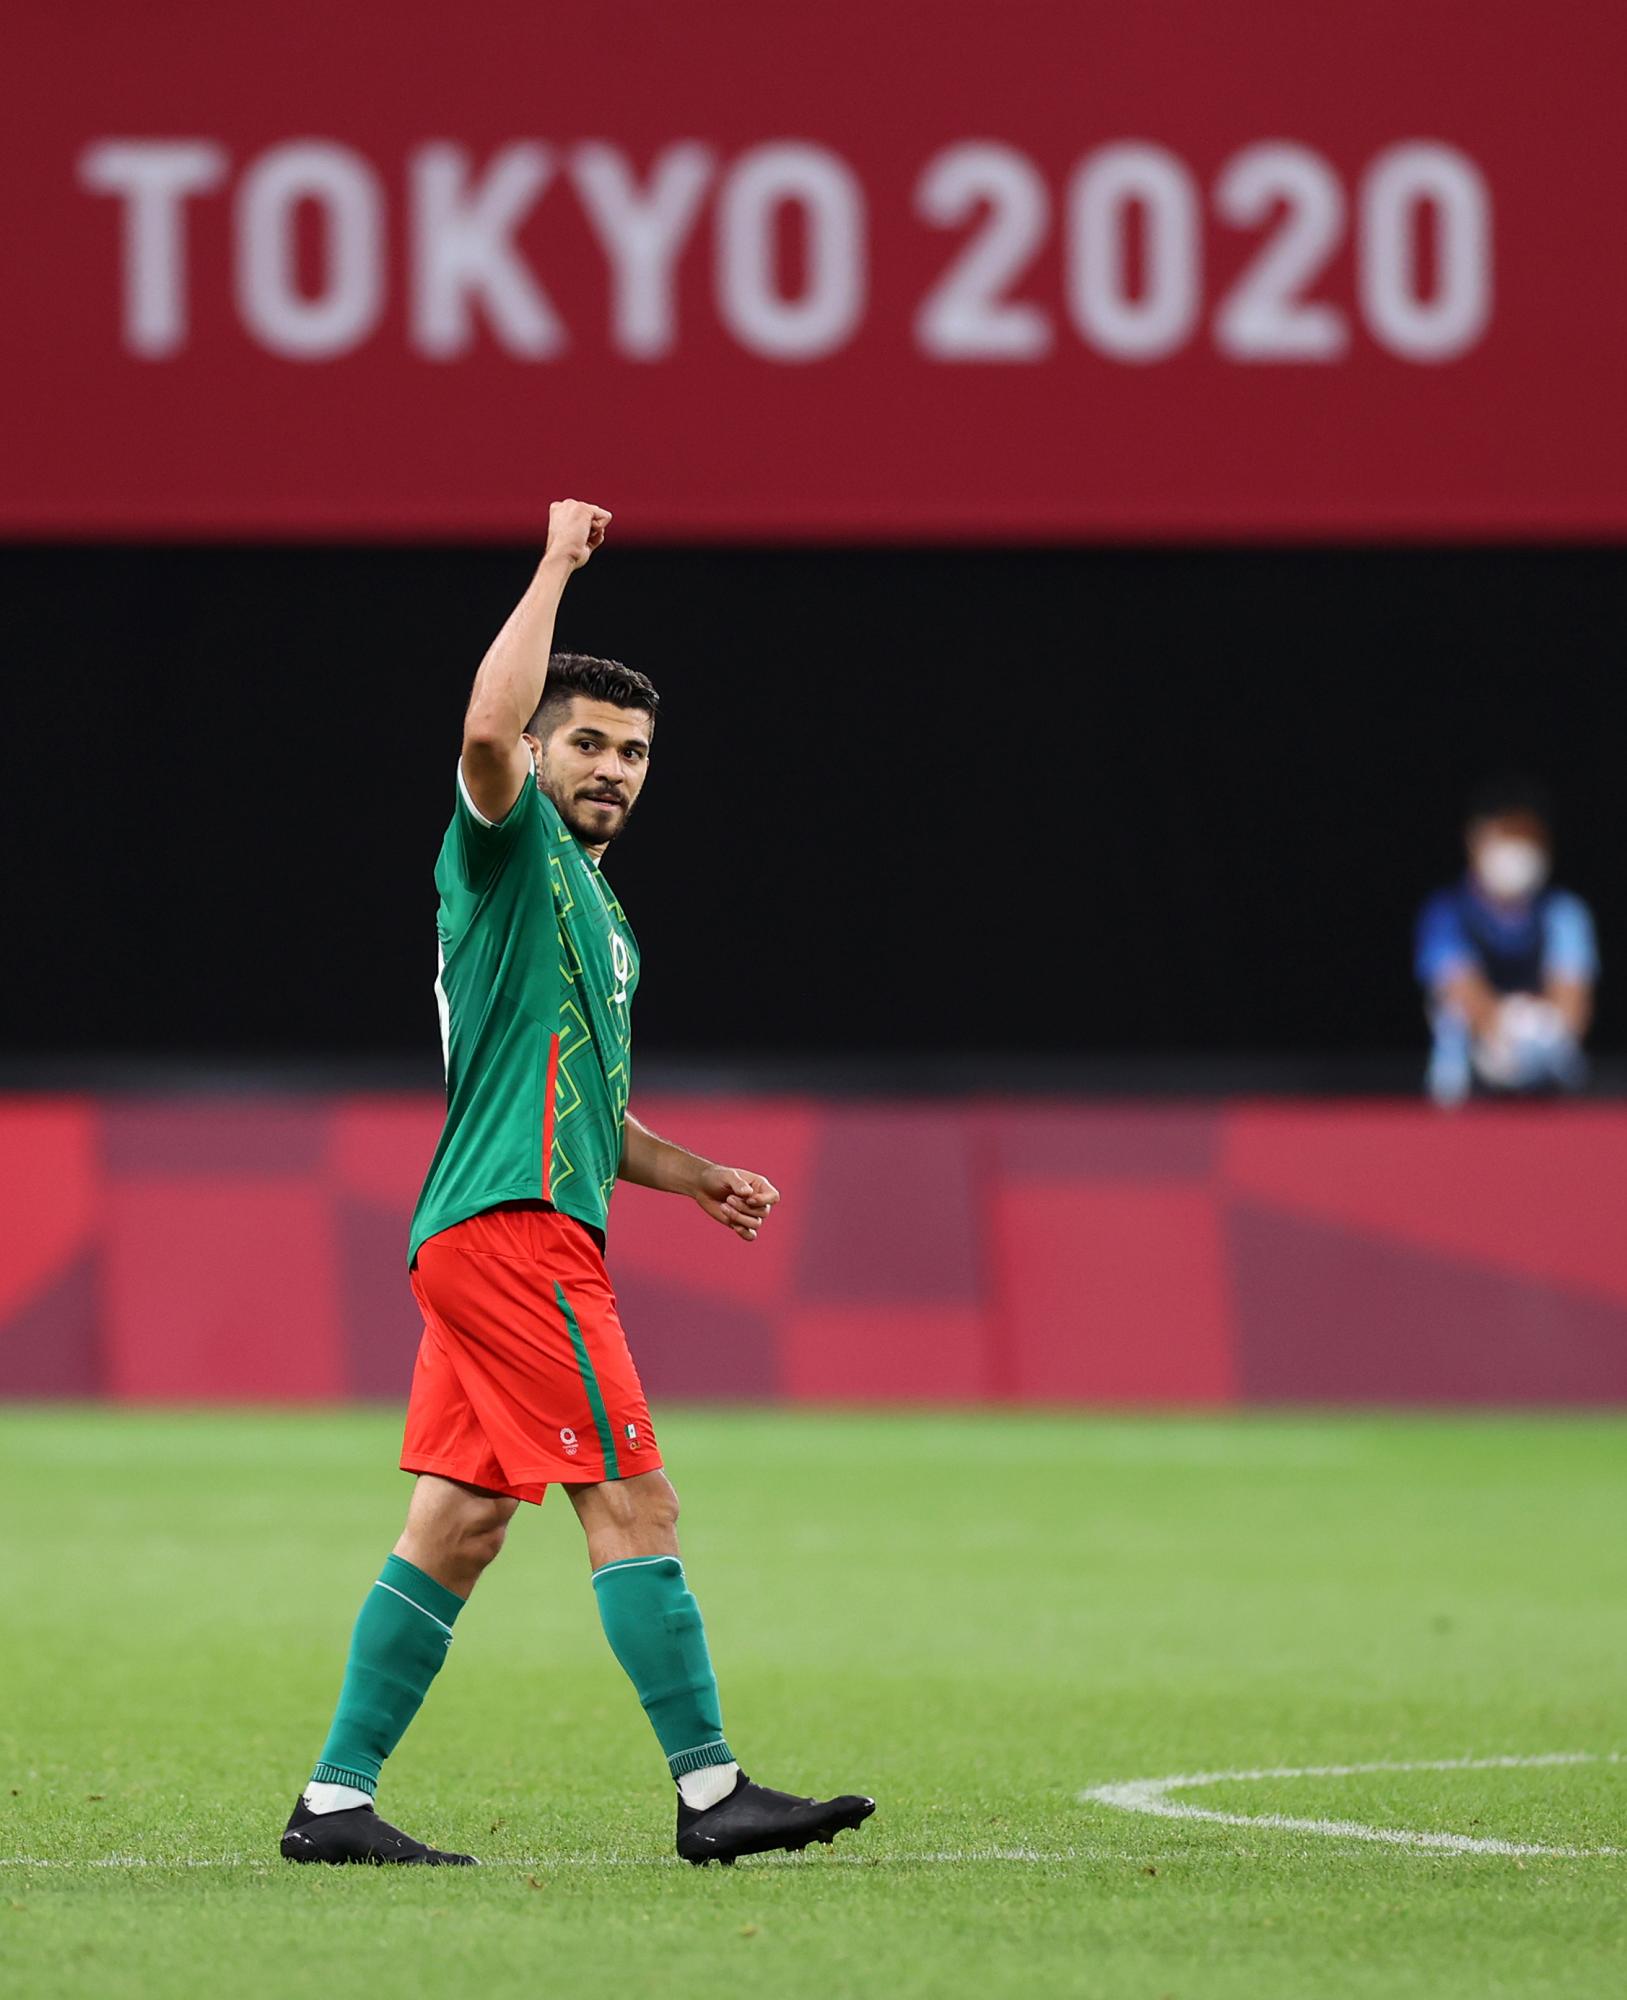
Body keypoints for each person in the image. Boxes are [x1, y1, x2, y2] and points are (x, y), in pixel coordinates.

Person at [280, 500, 873, 1868]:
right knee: (635, 1503)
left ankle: (332, 1802)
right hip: (512, 1238)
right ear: (542, 754)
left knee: (462, 1523)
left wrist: (692, 1174)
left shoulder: (601, 922)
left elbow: (593, 1125)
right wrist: (552, 565)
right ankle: (712, 1790)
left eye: (634, 752)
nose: (612, 767)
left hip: (499, 1224)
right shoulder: (502, 852)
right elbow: (484, 738)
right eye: (589, 743)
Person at [1415, 779, 1599, 1107]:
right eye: (1507, 836)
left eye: (1527, 839)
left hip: (1545, 1057)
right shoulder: (1447, 912)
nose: (1516, 851)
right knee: (1453, 1022)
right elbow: (1459, 987)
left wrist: (1541, 1034)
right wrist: (1501, 1029)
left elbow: (1574, 999)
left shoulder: (1564, 912)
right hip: (1476, 1064)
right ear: (1476, 840)